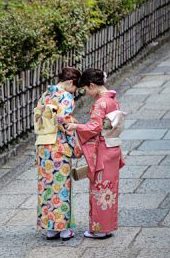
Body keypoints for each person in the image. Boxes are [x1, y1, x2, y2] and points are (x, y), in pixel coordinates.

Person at [66, 68, 125, 239]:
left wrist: (76, 126)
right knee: (109, 190)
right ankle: (106, 227)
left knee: (99, 189)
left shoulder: (100, 103)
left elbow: (95, 127)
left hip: (103, 151)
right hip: (113, 148)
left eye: (86, 90)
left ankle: (99, 229)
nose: (87, 93)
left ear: (92, 85)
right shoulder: (113, 100)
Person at [34, 67, 82, 241]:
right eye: (75, 87)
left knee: (46, 185)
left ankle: (50, 228)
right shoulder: (65, 96)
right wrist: (75, 125)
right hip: (58, 145)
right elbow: (62, 119)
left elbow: (41, 116)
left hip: (42, 144)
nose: (75, 91)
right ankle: (63, 229)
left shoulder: (45, 95)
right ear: (70, 82)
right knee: (61, 185)